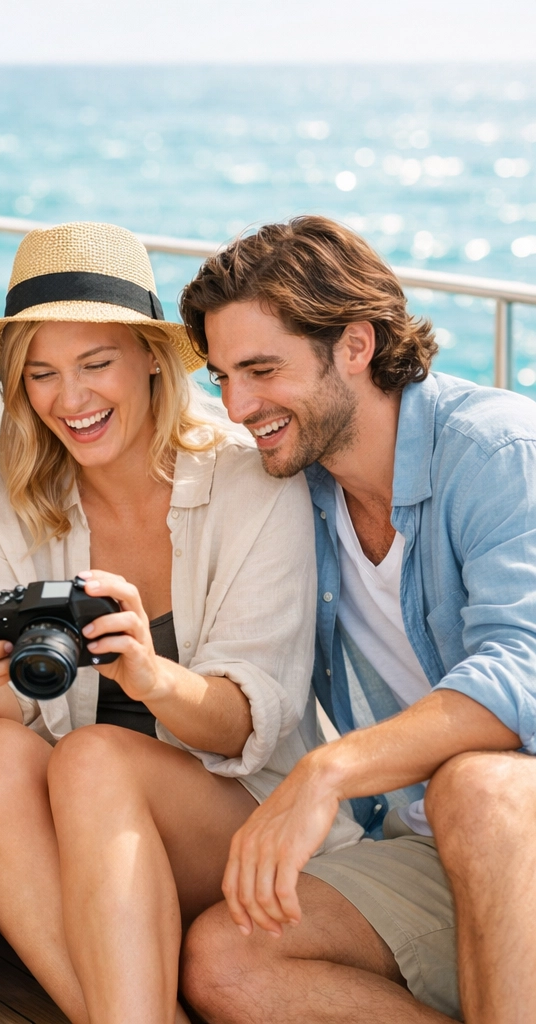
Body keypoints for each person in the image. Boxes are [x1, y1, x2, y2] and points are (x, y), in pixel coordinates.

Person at [0, 221, 360, 1024]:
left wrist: (150, 676)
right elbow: (3, 725)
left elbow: (244, 723)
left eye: (95, 364)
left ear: (152, 357)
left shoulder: (250, 482)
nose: (69, 399)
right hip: (78, 852)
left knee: (93, 760)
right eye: (41, 374)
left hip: (234, 823)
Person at [179, 215, 536, 1024]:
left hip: (510, 821)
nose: (238, 406)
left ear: (355, 345)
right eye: (221, 377)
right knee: (227, 959)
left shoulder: (497, 452)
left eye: (261, 370)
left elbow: (523, 673)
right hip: (435, 849)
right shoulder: (293, 488)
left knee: (476, 785)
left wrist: (328, 770)